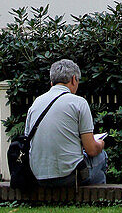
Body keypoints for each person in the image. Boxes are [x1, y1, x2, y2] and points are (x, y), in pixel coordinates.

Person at [25, 58, 108, 186]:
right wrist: (101, 144)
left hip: (38, 176)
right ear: (74, 79)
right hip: (69, 176)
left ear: (52, 82)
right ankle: (97, 198)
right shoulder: (78, 102)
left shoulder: (36, 104)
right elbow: (91, 150)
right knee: (101, 156)